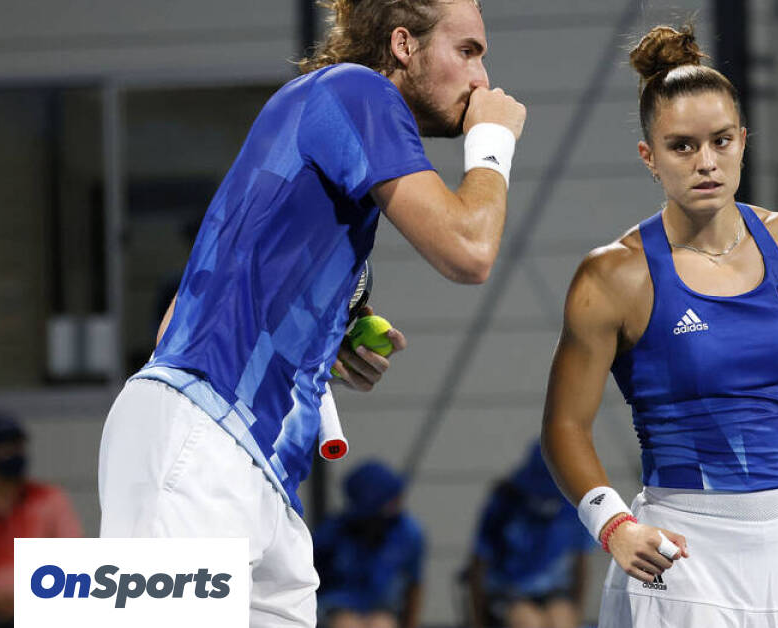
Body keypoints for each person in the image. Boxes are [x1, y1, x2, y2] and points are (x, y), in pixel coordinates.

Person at [97, 0, 527, 626]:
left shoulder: (321, 114)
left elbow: (189, 309)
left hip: (260, 468)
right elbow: (469, 250)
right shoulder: (357, 90)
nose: (482, 79)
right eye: (467, 51)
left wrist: (320, 342)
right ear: (403, 45)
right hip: (201, 441)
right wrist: (493, 139)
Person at [540, 24, 778, 628]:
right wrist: (613, 524)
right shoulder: (613, 276)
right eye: (682, 146)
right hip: (683, 556)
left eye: (721, 141)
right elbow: (563, 427)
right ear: (649, 157)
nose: (706, 162)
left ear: (743, 142)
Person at [0, 412, 83, 627]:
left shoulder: (49, 500)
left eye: (17, 445)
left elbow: (73, 560)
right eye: (4, 447)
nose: (14, 453)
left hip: (41, 609)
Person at [464, 443, 592, 628]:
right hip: (508, 591)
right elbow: (479, 563)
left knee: (562, 621)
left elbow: (581, 562)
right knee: (528, 622)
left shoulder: (572, 507)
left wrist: (577, 612)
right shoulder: (504, 503)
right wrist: (478, 620)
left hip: (554, 592)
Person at [312, 461, 424, 628]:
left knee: (382, 624)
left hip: (383, 609)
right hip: (336, 608)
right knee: (345, 624)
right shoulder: (332, 532)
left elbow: (414, 585)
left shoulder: (408, 533)